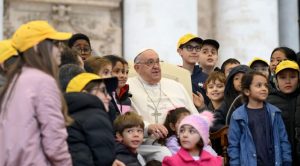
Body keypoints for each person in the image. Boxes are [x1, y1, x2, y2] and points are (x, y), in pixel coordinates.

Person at [0, 20, 72, 165]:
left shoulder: (16, 79)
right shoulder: (43, 81)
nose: (61, 50)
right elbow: (55, 141)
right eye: (55, 44)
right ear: (37, 47)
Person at [127, 48, 199, 161]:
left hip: (179, 141)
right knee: (165, 154)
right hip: (144, 144)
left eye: (157, 61)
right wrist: (148, 127)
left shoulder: (175, 86)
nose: (156, 66)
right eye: (150, 62)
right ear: (137, 68)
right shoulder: (128, 87)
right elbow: (126, 119)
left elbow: (194, 116)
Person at [228, 71, 292, 165]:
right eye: (259, 85)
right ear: (247, 91)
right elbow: (234, 145)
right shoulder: (237, 116)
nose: (264, 89)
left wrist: (287, 161)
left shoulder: (275, 113)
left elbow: (283, 140)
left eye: (265, 85)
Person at [64, 72, 119, 166]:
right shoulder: (94, 116)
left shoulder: (69, 118)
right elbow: (105, 159)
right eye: (103, 90)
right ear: (85, 94)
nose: (109, 97)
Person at [267, 60, 300, 165]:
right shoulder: (268, 102)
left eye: (293, 76)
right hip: (278, 159)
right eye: (282, 77)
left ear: (299, 79)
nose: (288, 81)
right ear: (276, 80)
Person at [211, 65, 251, 132]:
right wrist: (230, 130)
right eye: (236, 78)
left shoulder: (257, 100)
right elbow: (213, 122)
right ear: (232, 82)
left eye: (244, 77)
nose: (240, 81)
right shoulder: (228, 102)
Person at [177, 33, 207, 108]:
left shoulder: (206, 78)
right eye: (189, 47)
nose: (194, 51)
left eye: (197, 48)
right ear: (180, 51)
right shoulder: (174, 76)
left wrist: (202, 106)